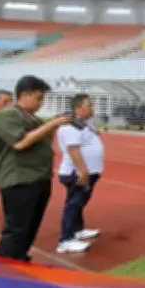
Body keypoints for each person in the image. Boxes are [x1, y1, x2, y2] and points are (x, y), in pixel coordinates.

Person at [0, 75, 71, 262]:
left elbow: (42, 141)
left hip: (38, 178)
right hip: (19, 179)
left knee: (31, 225)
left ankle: (19, 257)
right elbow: (20, 143)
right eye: (39, 98)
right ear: (24, 94)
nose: (41, 103)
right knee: (16, 227)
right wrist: (53, 124)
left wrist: (53, 126)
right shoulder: (8, 114)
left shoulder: (32, 117)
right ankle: (6, 267)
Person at [55, 93, 104, 254]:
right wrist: (82, 171)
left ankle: (78, 230)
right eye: (89, 105)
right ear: (78, 108)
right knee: (74, 204)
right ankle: (65, 240)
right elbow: (73, 149)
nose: (93, 108)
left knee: (80, 202)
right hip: (77, 172)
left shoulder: (83, 123)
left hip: (88, 172)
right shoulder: (71, 126)